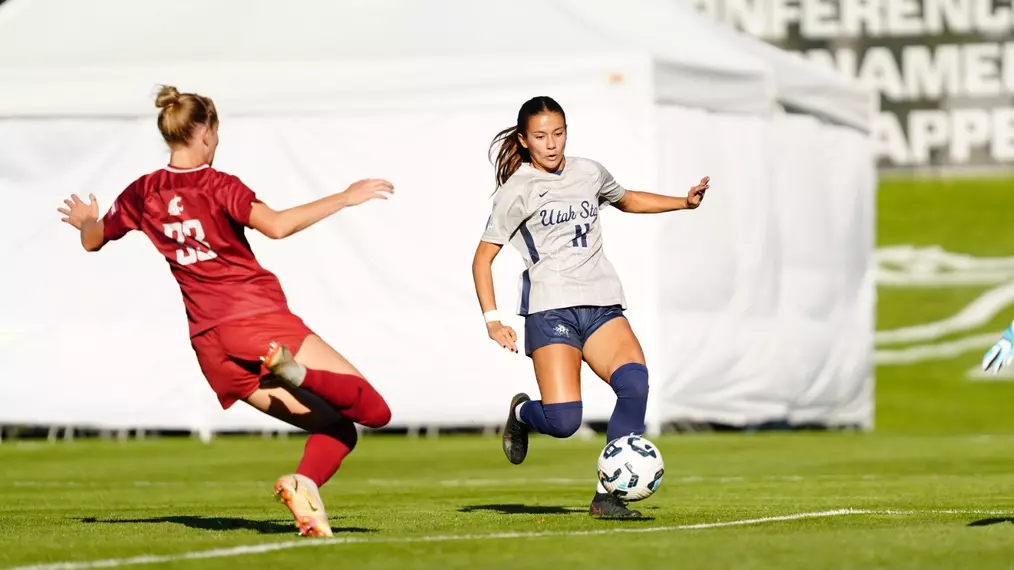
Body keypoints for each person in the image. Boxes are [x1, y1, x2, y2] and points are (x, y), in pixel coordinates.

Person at [56, 85, 395, 538]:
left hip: (210, 346)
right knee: (374, 411)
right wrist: (345, 196)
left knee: (338, 429)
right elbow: (276, 226)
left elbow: (93, 240)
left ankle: (305, 484)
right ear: (207, 133)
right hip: (256, 320)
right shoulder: (218, 185)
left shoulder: (143, 191)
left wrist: (85, 221)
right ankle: (295, 373)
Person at [471, 96, 710, 518]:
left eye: (558, 133)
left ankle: (607, 496)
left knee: (635, 385)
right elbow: (482, 259)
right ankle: (524, 413)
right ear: (524, 141)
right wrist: (493, 321)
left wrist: (683, 202)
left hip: (601, 304)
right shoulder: (517, 191)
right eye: (541, 136)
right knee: (564, 422)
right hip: (552, 310)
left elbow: (628, 198)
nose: (552, 144)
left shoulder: (588, 171)